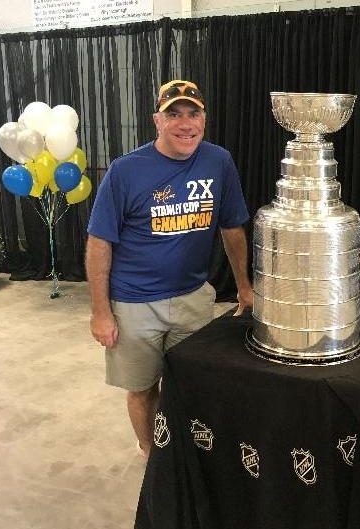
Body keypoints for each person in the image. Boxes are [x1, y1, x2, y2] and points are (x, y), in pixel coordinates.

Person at [85, 79, 253, 458]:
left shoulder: (218, 161)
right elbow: (99, 243)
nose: (185, 123)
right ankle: (153, 456)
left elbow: (231, 227)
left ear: (204, 120)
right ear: (156, 121)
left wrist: (244, 285)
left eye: (193, 114)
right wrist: (100, 312)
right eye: (173, 114)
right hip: (134, 304)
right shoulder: (126, 171)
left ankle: (185, 452)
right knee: (143, 387)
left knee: (193, 384)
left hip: (193, 297)